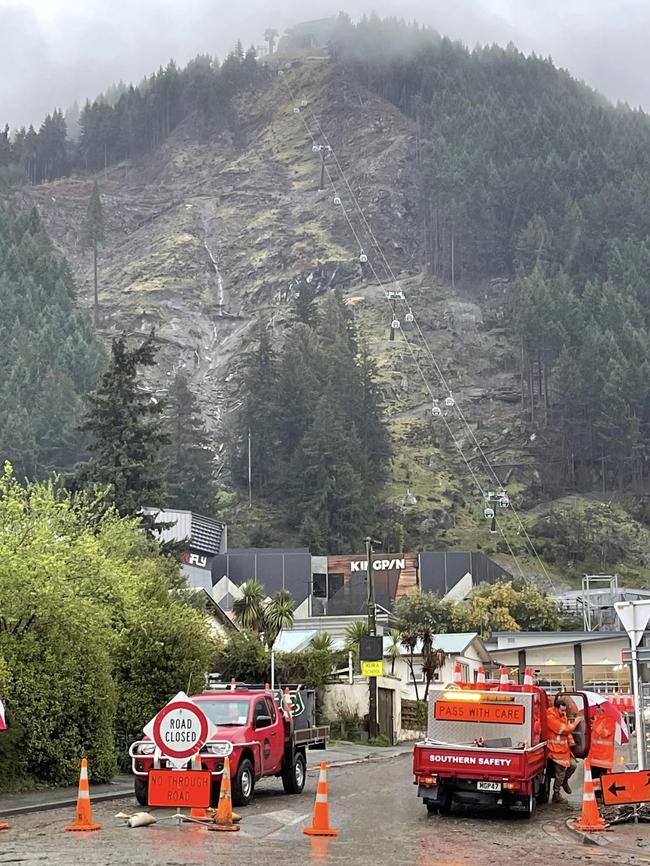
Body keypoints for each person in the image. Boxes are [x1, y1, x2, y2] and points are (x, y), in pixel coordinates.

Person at [546, 695, 583, 804]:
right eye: (562, 710)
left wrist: (571, 742)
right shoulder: (550, 717)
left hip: (564, 750)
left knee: (573, 766)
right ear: (556, 708)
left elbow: (567, 732)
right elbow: (565, 729)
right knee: (560, 774)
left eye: (565, 710)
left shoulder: (562, 715)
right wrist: (575, 722)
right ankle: (556, 794)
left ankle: (564, 782)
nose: (564, 712)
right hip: (555, 751)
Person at [589, 704, 616, 790]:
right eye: (596, 707)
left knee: (602, 778)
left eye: (599, 706)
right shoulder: (595, 719)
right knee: (595, 778)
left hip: (604, 756)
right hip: (594, 755)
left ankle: (602, 796)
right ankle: (597, 796)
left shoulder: (610, 720)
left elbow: (605, 733)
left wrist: (594, 725)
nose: (597, 709)